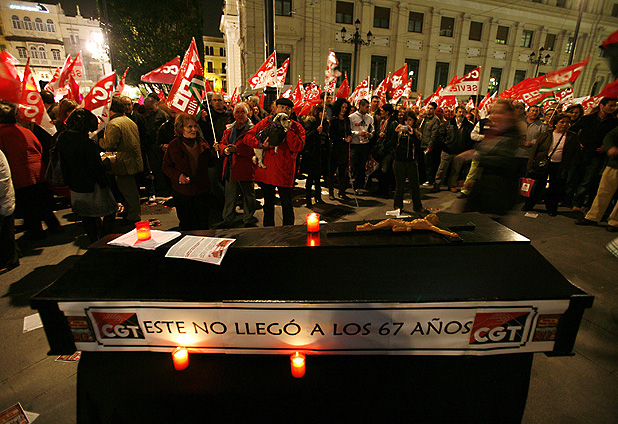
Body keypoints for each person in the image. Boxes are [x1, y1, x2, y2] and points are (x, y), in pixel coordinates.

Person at [0, 101, 60, 240]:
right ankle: (53, 225)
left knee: (28, 205)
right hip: (37, 171)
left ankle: (37, 232)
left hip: (19, 175)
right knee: (41, 201)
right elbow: (39, 147)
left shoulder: (2, 134)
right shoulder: (25, 131)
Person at [56, 109, 118, 242]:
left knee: (87, 216)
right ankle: (104, 239)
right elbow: (97, 168)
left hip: (75, 184)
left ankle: (93, 240)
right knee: (110, 211)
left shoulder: (62, 138)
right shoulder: (86, 143)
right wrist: (109, 161)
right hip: (93, 186)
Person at [246, 97, 305, 226]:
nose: (284, 110)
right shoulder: (265, 123)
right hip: (267, 171)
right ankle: (268, 231)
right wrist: (260, 144)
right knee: (268, 204)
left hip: (284, 171)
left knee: (287, 204)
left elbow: (298, 146)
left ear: (291, 111)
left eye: (288, 108)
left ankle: (288, 231)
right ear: (275, 108)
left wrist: (287, 130)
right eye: (281, 107)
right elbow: (248, 137)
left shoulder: (296, 126)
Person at [163, 113, 218, 230]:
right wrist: (178, 176)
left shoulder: (202, 142)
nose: (193, 130)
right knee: (187, 224)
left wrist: (214, 152)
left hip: (201, 190)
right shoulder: (174, 145)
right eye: (189, 127)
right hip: (183, 192)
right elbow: (166, 167)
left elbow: (212, 163)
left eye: (195, 126)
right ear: (181, 128)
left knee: (203, 223)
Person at [466, 99, 521, 216]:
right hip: (484, 187)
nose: (495, 116)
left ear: (509, 115)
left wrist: (478, 156)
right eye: (493, 112)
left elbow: (504, 160)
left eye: (500, 112)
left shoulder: (512, 134)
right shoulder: (494, 132)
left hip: (498, 190)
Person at [522, 114, 579, 216]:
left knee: (555, 187)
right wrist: (530, 165)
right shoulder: (546, 134)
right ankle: (529, 204)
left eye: (567, 122)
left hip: (559, 165)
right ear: (556, 123)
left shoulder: (572, 136)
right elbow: (536, 149)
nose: (564, 124)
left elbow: (575, 152)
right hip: (543, 163)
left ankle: (551, 208)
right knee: (538, 185)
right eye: (562, 122)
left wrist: (570, 164)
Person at [568, 97, 618, 212]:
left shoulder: (614, 122)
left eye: (614, 105)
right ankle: (567, 199)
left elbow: (613, 139)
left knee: (587, 180)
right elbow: (572, 131)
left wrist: (607, 147)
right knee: (573, 177)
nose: (612, 108)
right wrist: (578, 143)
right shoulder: (588, 118)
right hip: (581, 153)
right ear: (602, 106)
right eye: (610, 105)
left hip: (597, 156)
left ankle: (577, 203)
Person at [99, 97, 143, 224]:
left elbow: (109, 144)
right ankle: (130, 211)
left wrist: (100, 141)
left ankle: (133, 215)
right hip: (132, 160)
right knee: (130, 190)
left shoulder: (114, 124)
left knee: (128, 191)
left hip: (123, 163)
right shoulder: (128, 120)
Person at [219, 103, 257, 227]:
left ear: (248, 114)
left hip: (245, 168)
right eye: (237, 112)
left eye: (242, 112)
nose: (240, 115)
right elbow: (222, 143)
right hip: (231, 168)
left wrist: (238, 150)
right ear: (234, 114)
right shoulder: (229, 129)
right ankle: (227, 219)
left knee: (248, 196)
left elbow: (256, 149)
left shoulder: (253, 130)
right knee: (230, 196)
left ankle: (248, 219)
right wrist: (224, 149)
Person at [576, 125, 618, 232]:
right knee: (603, 192)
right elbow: (609, 137)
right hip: (614, 164)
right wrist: (610, 147)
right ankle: (593, 217)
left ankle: (614, 222)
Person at [432, 105, 474, 192]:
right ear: (455, 113)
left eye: (463, 112)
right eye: (459, 112)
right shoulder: (447, 124)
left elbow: (470, 139)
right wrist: (445, 145)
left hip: (459, 152)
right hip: (447, 151)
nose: (461, 114)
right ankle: (437, 184)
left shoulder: (469, 126)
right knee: (442, 169)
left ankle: (452, 185)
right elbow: (440, 136)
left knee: (456, 170)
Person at [392, 111, 424, 213]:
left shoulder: (416, 131)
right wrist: (395, 133)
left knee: (414, 185)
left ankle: (417, 206)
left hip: (411, 161)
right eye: (406, 120)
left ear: (414, 120)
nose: (407, 122)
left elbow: (419, 145)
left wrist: (412, 134)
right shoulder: (399, 131)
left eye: (410, 120)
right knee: (400, 185)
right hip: (399, 161)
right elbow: (392, 144)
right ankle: (398, 205)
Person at [300, 104, 328, 207]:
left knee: (318, 177)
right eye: (322, 112)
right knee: (311, 177)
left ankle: (318, 197)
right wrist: (316, 131)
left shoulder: (325, 123)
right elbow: (306, 136)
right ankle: (308, 199)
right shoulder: (310, 122)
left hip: (321, 153)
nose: (325, 114)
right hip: (312, 154)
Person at [328, 98, 352, 200]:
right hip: (335, 148)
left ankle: (342, 191)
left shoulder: (347, 120)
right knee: (332, 171)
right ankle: (331, 192)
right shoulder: (334, 120)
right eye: (342, 107)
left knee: (343, 172)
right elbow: (332, 135)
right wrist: (343, 139)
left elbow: (349, 131)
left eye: (346, 108)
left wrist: (349, 137)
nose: (344, 109)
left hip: (344, 148)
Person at [348, 99, 374, 191]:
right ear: (361, 106)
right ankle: (346, 184)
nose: (368, 109)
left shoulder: (370, 118)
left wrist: (369, 135)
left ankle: (359, 185)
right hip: (354, 144)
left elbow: (372, 131)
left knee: (362, 166)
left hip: (364, 145)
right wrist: (357, 133)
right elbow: (348, 131)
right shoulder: (352, 117)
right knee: (351, 164)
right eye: (366, 107)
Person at [372, 104, 398, 197]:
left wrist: (386, 145)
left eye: (382, 111)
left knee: (385, 170)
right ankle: (380, 189)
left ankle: (385, 191)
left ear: (387, 112)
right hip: (380, 148)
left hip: (387, 150)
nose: (381, 112)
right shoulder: (382, 121)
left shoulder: (393, 123)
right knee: (380, 170)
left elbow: (392, 138)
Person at [0, 149, 18, 272]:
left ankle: (10, 261)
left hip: (3, 199)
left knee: (5, 233)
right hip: (3, 199)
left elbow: (4, 179)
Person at [515, 105, 546, 177]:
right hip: (516, 154)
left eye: (537, 111)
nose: (534, 113)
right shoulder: (519, 123)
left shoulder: (542, 126)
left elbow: (542, 139)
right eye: (532, 111)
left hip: (529, 156)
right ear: (527, 112)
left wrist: (533, 142)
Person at [419, 102, 441, 186]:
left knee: (428, 164)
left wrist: (430, 146)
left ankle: (429, 179)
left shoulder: (435, 120)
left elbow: (434, 134)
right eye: (428, 108)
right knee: (421, 163)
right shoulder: (423, 118)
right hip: (421, 143)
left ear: (434, 110)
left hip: (428, 145)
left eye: (431, 108)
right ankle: (422, 179)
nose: (429, 110)